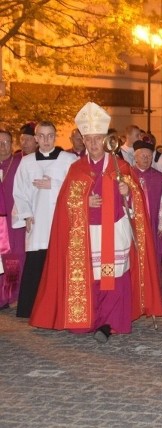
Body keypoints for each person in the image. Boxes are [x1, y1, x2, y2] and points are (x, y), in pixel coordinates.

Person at [29, 102, 162, 342]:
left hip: (113, 232)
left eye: (97, 138)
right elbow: (64, 205)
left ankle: (109, 324)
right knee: (93, 277)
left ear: (105, 139)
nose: (92, 144)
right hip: (87, 235)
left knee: (111, 279)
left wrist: (127, 191)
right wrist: (83, 202)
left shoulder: (119, 166)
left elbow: (137, 201)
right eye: (88, 139)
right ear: (83, 139)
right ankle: (88, 319)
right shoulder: (76, 169)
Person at [13, 121, 77, 318]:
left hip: (62, 221)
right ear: (36, 138)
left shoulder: (69, 159)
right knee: (36, 264)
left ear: (55, 136)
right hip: (38, 222)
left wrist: (54, 184)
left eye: (51, 135)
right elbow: (19, 192)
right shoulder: (26, 162)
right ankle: (31, 308)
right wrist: (26, 214)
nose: (47, 140)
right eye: (42, 136)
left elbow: (76, 187)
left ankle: (62, 308)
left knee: (61, 264)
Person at [132, 139, 162, 279]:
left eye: (149, 156)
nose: (146, 158)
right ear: (135, 156)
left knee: (152, 260)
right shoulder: (128, 175)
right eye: (143, 155)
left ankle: (153, 291)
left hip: (152, 225)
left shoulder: (158, 177)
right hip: (132, 226)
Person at [0, 129, 25, 309]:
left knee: (12, 259)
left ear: (12, 144)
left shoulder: (19, 164)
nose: (2, 146)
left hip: (12, 221)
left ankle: (11, 295)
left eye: (6, 142)